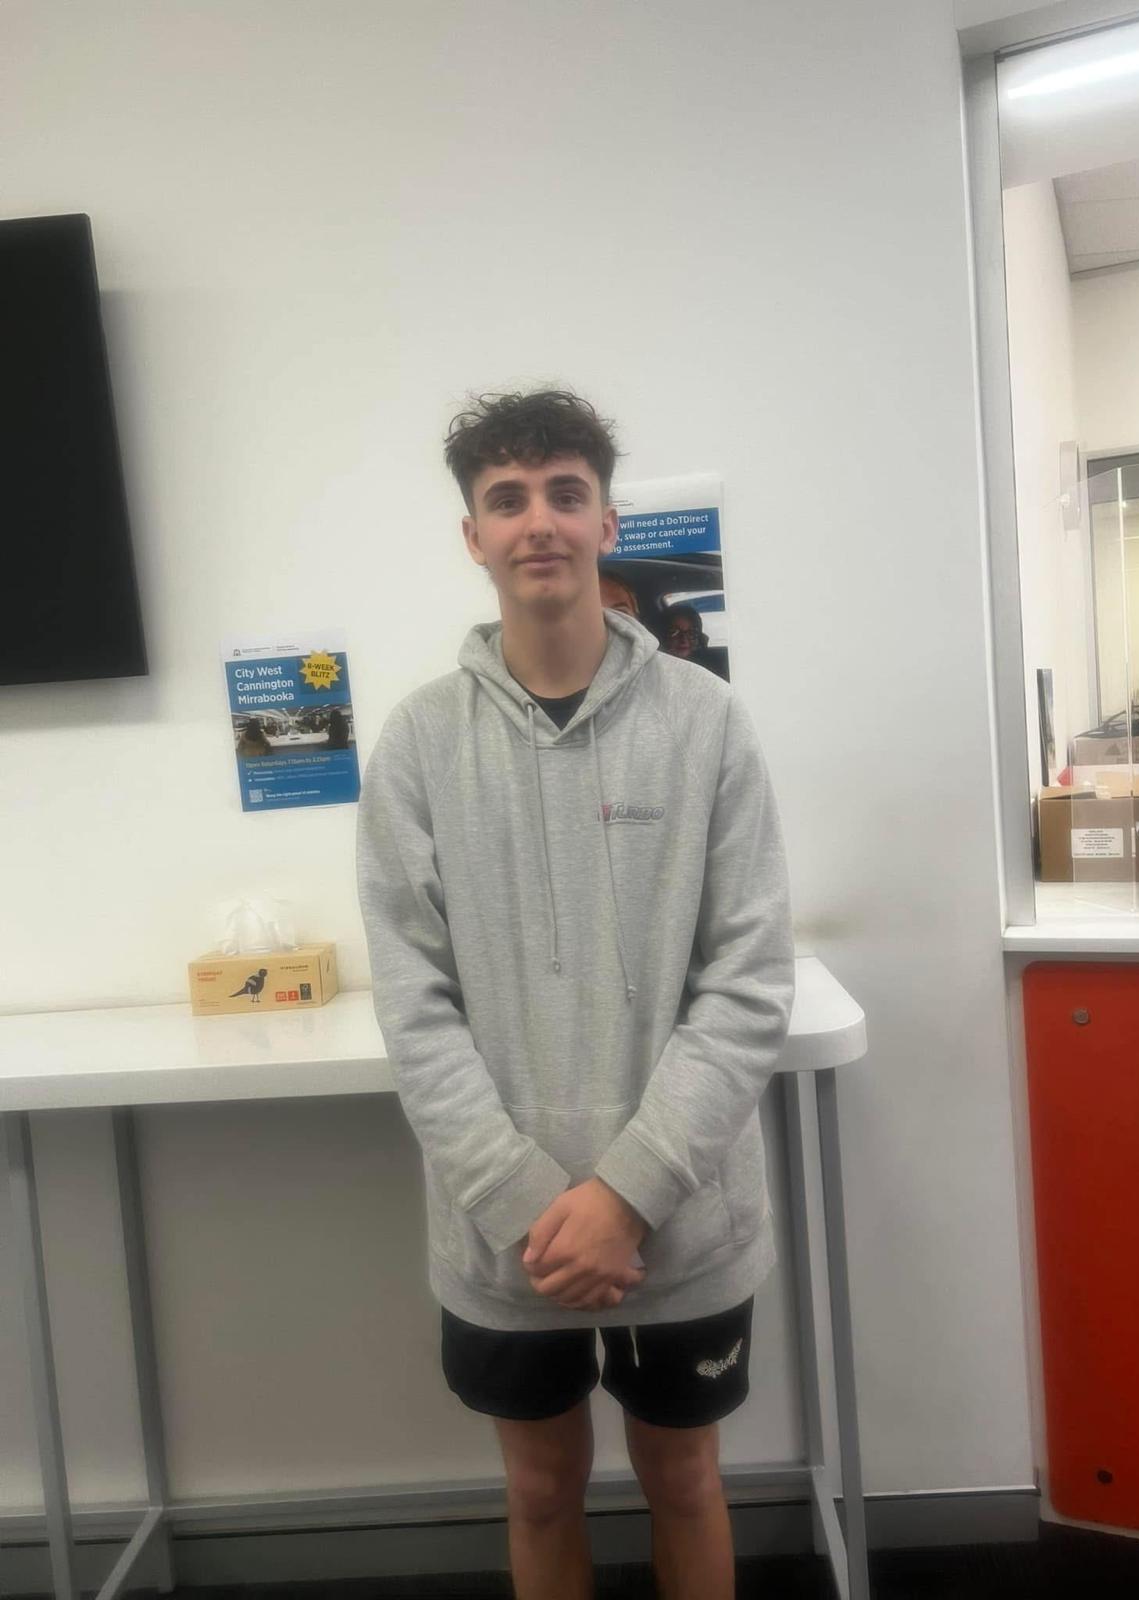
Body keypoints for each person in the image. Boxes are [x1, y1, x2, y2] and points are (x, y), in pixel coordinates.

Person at [355, 388, 795, 1600]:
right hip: (507, 1240)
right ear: (474, 536)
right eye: (507, 499)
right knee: (541, 1490)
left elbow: (747, 979)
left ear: (607, 522)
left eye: (565, 492)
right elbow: (413, 1001)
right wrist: (523, 1200)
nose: (537, 520)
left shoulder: (708, 725)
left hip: (682, 1224)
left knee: (686, 1480)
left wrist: (629, 1193)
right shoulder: (418, 745)